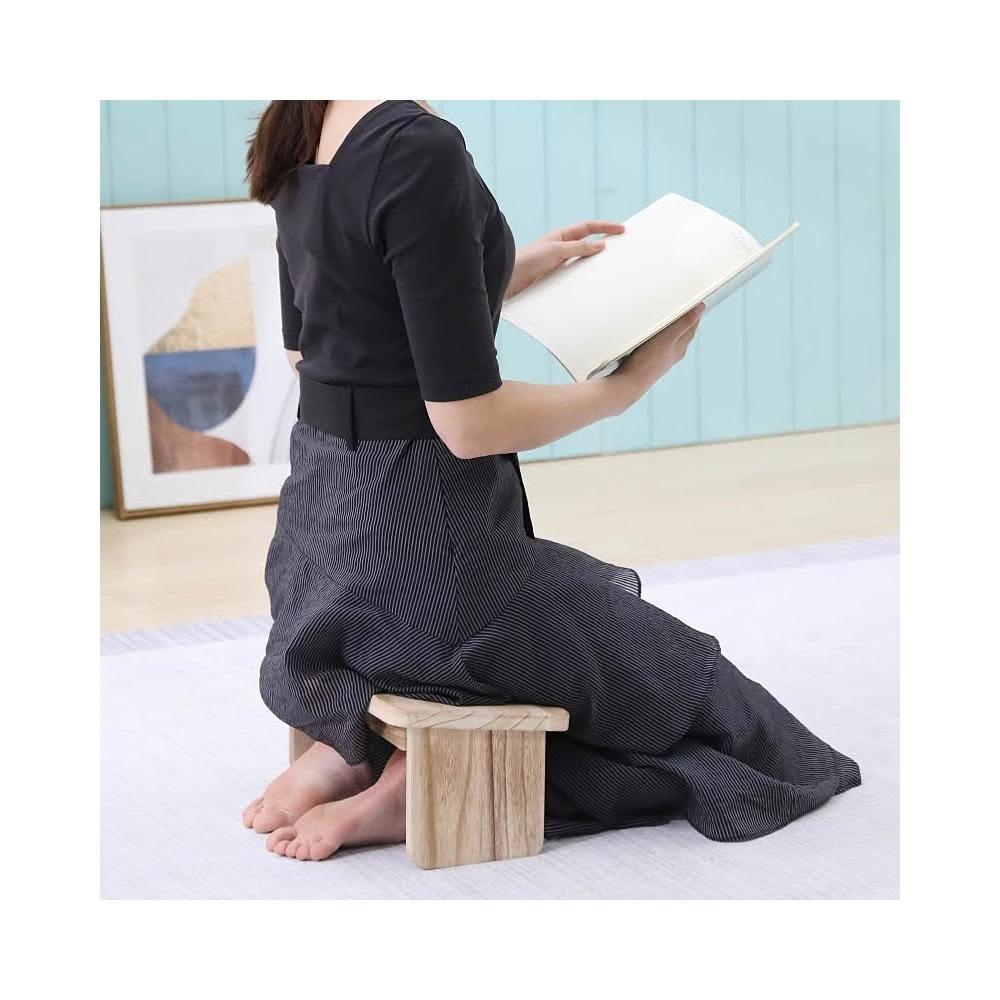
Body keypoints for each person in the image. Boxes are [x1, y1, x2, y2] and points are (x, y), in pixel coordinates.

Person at [241, 99, 861, 862]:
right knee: (714, 708)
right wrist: (624, 387)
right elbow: (468, 425)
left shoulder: (301, 121)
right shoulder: (418, 147)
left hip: (319, 558)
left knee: (587, 646)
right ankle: (402, 784)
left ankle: (345, 754)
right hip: (429, 573)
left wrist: (496, 269)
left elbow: (326, 347)